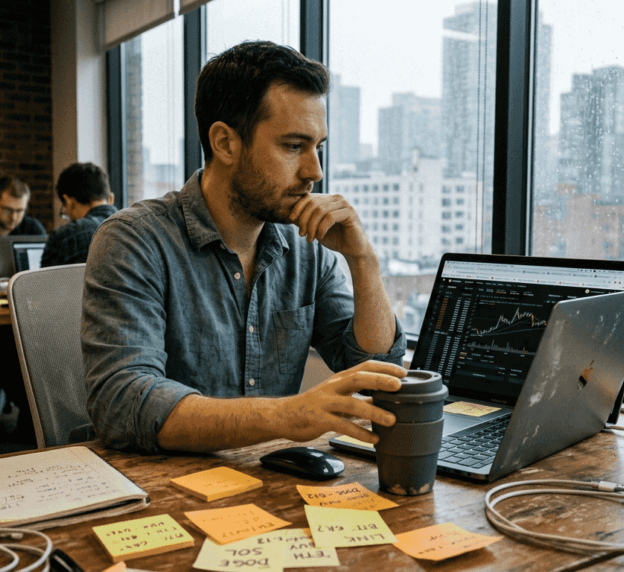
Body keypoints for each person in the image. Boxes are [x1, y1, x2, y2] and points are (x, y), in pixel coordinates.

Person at [82, 41, 407, 454]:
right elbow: (124, 402)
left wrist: (363, 260)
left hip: (267, 478)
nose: (315, 172)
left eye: (318, 147)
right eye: (293, 146)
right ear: (225, 143)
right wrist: (285, 416)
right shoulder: (134, 240)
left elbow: (378, 373)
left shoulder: (306, 247)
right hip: (161, 484)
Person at [40, 163, 118, 268]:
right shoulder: (135, 229)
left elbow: (44, 278)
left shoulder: (65, 236)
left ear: (69, 202)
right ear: (111, 198)